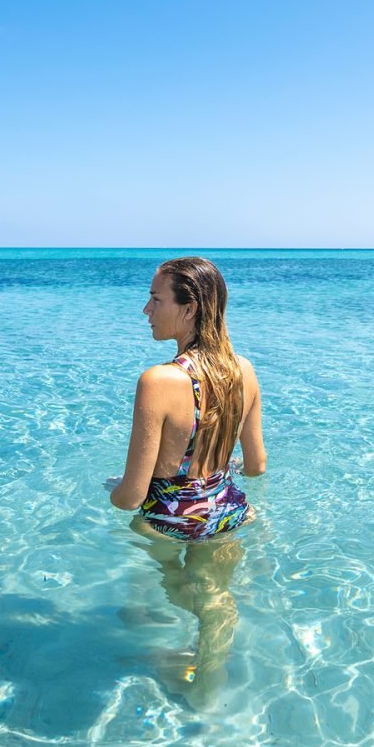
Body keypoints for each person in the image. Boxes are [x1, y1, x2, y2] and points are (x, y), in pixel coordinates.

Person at [109, 256, 266, 707]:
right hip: (231, 510)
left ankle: (202, 675)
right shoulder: (244, 369)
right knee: (213, 590)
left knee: (175, 576)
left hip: (172, 518)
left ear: (190, 307)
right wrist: (214, 474)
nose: (146, 310)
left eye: (156, 299)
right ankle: (209, 671)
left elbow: (132, 497)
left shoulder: (159, 380)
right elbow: (255, 466)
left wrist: (112, 489)